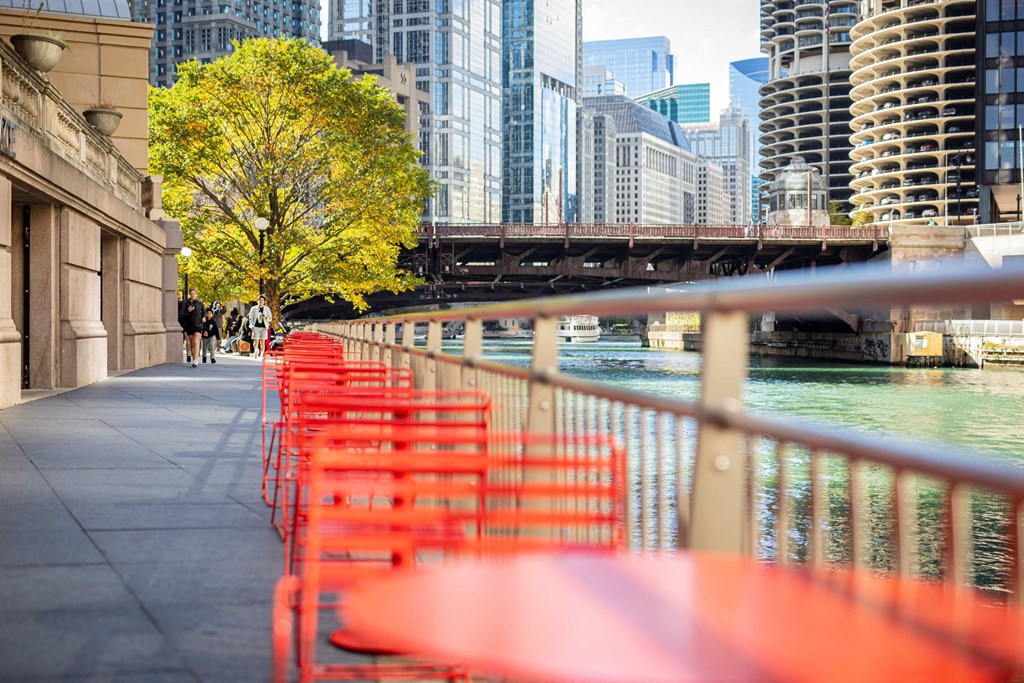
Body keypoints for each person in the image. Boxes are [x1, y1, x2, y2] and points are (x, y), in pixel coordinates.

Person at [180, 288, 205, 368]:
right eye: (191, 294)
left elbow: (204, 312)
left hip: (198, 325)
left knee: (195, 342)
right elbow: (182, 315)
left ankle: (196, 360)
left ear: (196, 295)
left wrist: (203, 318)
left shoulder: (200, 303)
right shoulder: (185, 303)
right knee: (191, 344)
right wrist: (188, 311)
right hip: (189, 326)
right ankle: (194, 359)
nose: (192, 295)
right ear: (189, 295)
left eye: (194, 294)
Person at [247, 295, 272, 359]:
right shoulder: (253, 308)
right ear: (257, 301)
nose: (261, 302)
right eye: (259, 300)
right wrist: (252, 326)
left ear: (264, 301)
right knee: (256, 341)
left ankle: (262, 353)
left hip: (264, 327)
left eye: (262, 300)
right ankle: (256, 351)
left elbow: (270, 318)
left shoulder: (267, 308)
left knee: (262, 341)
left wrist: (265, 317)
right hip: (256, 327)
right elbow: (250, 318)